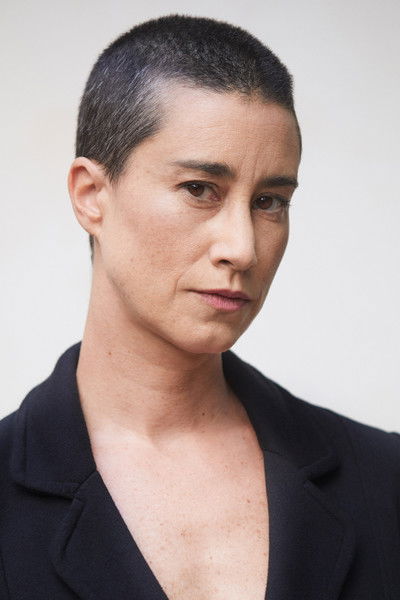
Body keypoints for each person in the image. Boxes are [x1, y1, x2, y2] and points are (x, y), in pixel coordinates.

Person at [0, 13, 399, 600]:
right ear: (91, 196)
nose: (243, 247)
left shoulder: (384, 479)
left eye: (269, 201)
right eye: (199, 189)